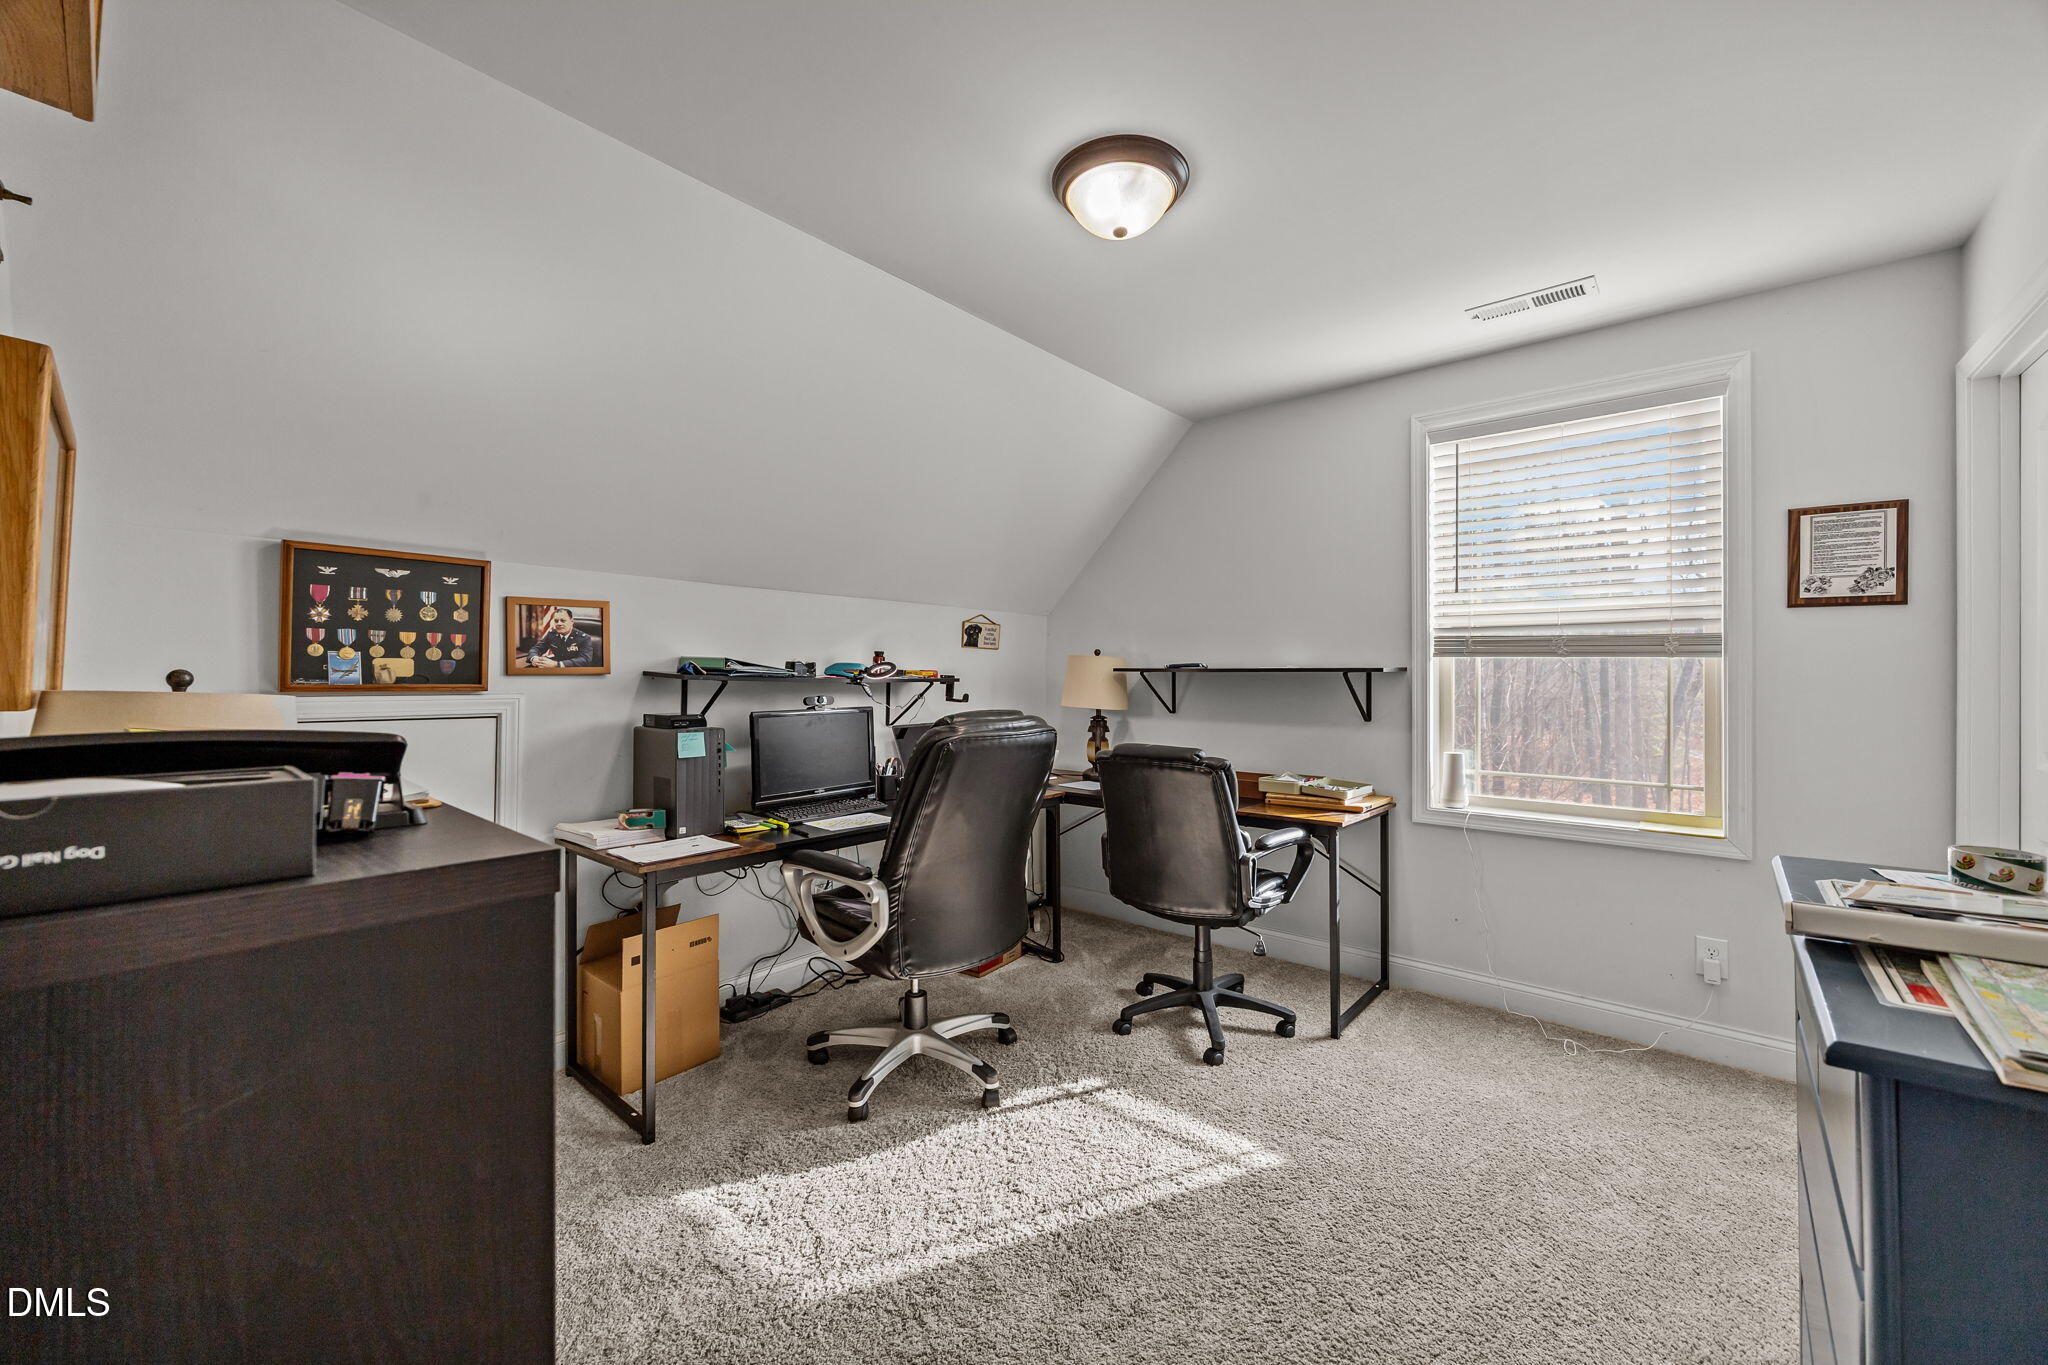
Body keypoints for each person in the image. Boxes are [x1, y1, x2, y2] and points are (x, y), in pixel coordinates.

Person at [523, 605, 599, 669]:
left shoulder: (584, 638)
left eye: (563, 621)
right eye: (556, 621)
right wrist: (535, 658)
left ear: (572, 621)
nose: (559, 624)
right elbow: (536, 648)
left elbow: (585, 660)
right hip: (554, 667)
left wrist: (557, 664)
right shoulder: (552, 634)